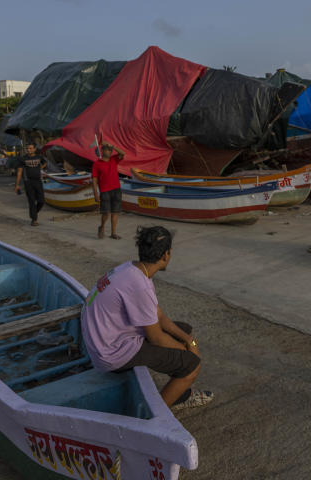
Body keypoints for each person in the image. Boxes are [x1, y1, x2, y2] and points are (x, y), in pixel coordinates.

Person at [81, 226, 214, 409]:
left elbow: (157, 314)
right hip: (111, 352)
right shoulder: (139, 284)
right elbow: (156, 337)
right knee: (191, 365)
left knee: (184, 329)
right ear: (166, 255)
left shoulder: (132, 269)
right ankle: (157, 414)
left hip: (105, 339)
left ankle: (179, 392)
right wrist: (187, 349)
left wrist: (188, 339)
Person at [91, 141, 125, 239]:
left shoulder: (114, 159)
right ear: (102, 150)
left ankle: (113, 233)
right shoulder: (97, 164)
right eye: (107, 149)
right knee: (106, 213)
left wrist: (113, 146)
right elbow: (94, 180)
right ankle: (101, 227)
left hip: (116, 190)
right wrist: (95, 194)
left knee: (115, 212)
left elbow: (123, 154)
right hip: (105, 191)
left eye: (110, 150)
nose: (109, 151)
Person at [15, 142, 47, 226]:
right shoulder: (23, 159)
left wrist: (40, 168)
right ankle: (34, 220)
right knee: (32, 201)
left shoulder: (39, 157)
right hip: (28, 182)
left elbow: (45, 163)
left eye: (30, 148)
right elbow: (19, 172)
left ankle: (33, 213)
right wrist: (17, 185)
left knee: (41, 201)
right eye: (27, 148)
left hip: (38, 181)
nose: (28, 150)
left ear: (34, 149)